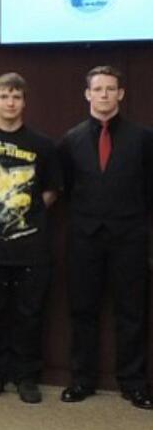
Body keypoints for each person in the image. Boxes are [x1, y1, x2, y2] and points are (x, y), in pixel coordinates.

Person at [0, 72, 61, 404]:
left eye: (16, 97)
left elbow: (49, 192)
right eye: (4, 96)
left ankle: (26, 378)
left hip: (31, 248)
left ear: (24, 102)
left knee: (29, 315)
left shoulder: (43, 144)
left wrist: (21, 217)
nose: (10, 102)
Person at [57, 65, 153, 410]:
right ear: (88, 94)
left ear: (121, 94)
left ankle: (134, 383)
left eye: (110, 89)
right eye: (98, 89)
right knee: (83, 311)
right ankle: (82, 380)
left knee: (132, 312)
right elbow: (66, 188)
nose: (104, 95)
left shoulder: (143, 139)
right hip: (84, 237)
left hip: (130, 237)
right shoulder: (70, 140)